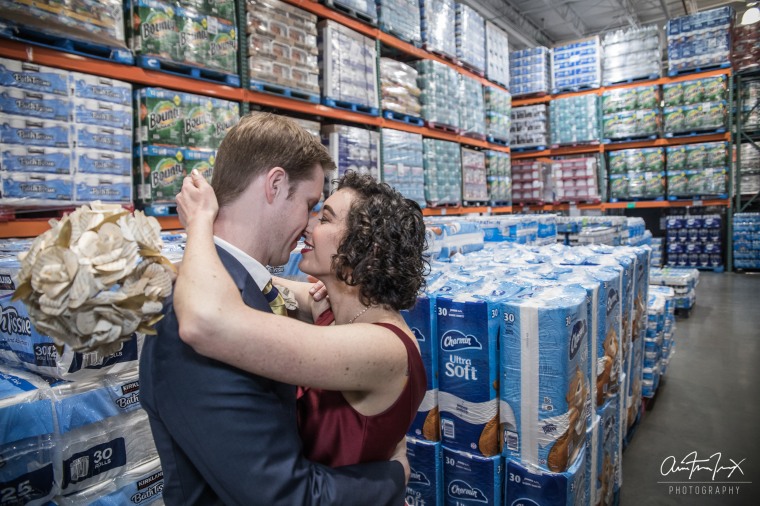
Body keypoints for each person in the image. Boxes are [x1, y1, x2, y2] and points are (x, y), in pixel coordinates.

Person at [139, 113, 410, 505]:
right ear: (276, 184)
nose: (309, 225)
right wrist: (392, 476)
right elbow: (283, 495)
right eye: (310, 204)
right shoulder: (195, 317)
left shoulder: (245, 287)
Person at [173, 169, 429, 469]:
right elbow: (252, 277)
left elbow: (209, 323)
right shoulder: (334, 309)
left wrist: (199, 221)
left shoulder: (382, 346)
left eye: (325, 219)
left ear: (366, 249)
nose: (308, 227)